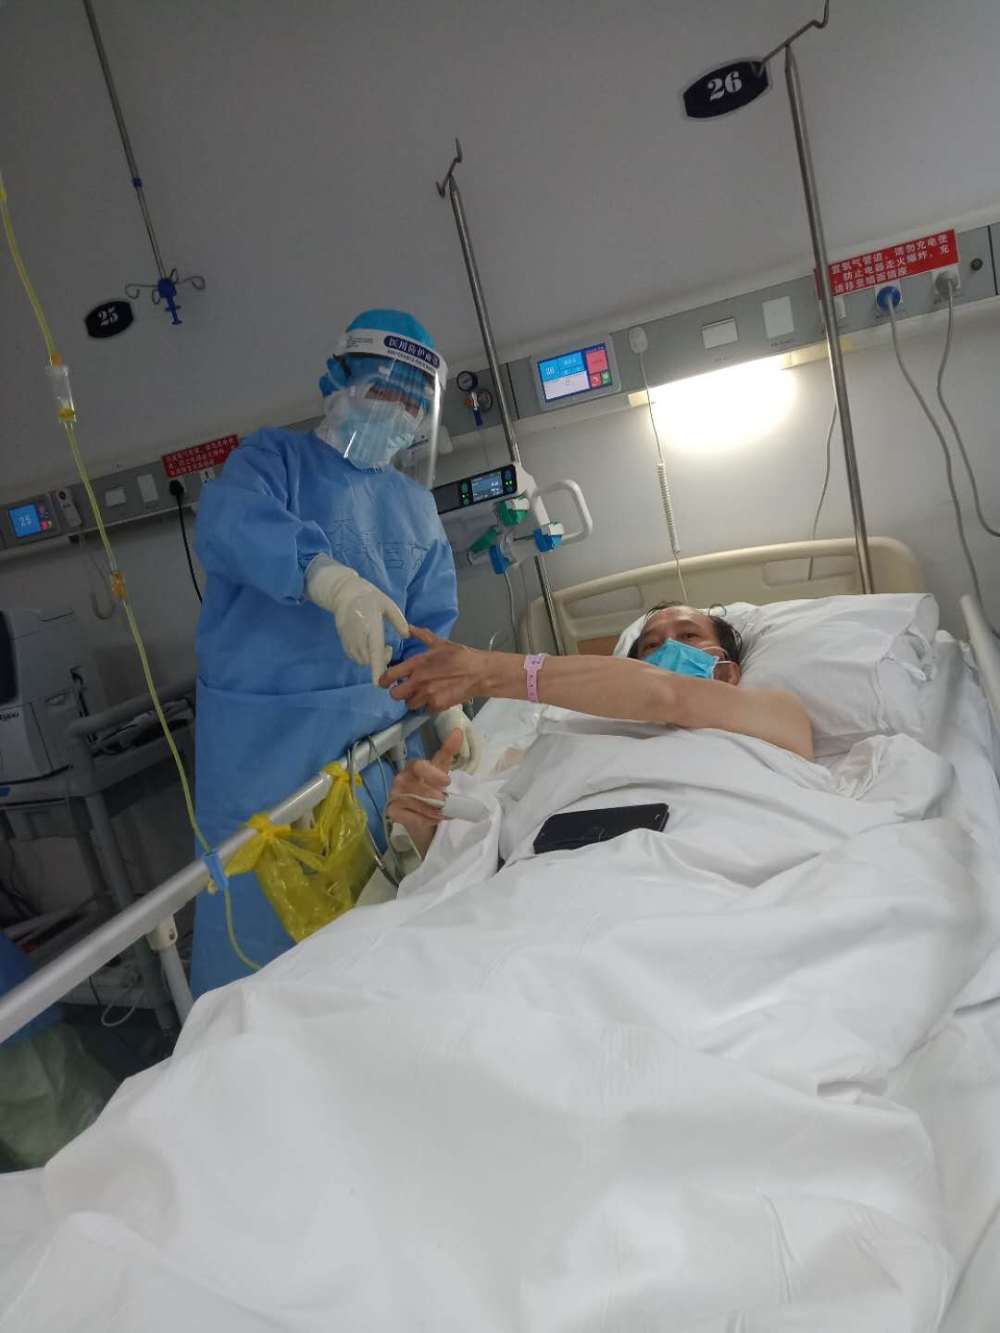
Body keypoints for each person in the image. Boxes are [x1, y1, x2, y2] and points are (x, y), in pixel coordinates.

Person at [190, 309, 479, 994]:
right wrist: (326, 577)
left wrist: (447, 706)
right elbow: (232, 524)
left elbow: (426, 628)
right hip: (265, 752)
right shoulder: (273, 463)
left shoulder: (414, 506)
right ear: (337, 380)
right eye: (385, 390)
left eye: (413, 402)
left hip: (371, 750)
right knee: (261, 949)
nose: (398, 412)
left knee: (367, 928)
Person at [382, 604, 813, 857]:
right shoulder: (569, 733)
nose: (669, 648)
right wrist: (428, 822)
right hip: (557, 880)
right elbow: (493, 839)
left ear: (728, 670)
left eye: (689, 636)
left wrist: (487, 672)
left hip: (712, 857)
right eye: (651, 645)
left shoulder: (777, 713)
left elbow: (665, 695)